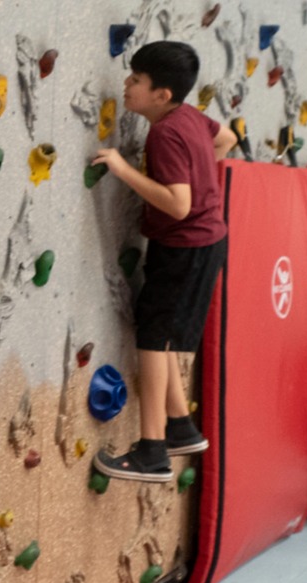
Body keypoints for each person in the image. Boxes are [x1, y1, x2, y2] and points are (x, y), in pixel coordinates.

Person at [90, 41, 238, 483]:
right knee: (162, 334)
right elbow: (227, 138)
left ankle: (152, 450)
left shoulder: (166, 132)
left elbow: (178, 204)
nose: (126, 84)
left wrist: (122, 168)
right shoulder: (189, 117)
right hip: (200, 244)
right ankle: (179, 426)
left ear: (162, 95)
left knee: (154, 338)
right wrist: (198, 175)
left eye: (136, 80)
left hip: (186, 247)